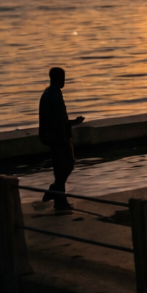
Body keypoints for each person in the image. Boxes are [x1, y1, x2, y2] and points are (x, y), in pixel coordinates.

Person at [38, 67, 83, 212]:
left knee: (59, 169)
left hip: (52, 137)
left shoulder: (49, 93)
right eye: (62, 78)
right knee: (68, 164)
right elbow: (58, 121)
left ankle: (60, 201)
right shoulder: (54, 96)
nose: (64, 80)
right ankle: (55, 190)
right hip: (59, 138)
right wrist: (73, 124)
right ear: (56, 78)